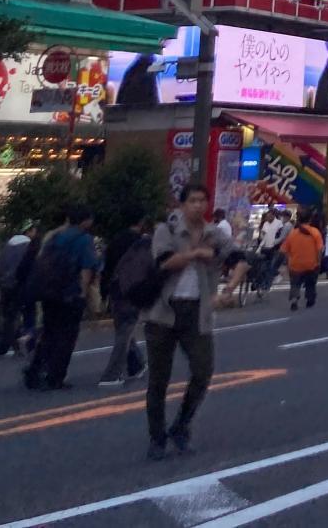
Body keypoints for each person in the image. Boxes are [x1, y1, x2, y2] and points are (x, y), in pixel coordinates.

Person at [144, 183, 234, 460]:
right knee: (159, 379)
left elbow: (238, 257)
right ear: (182, 204)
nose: (198, 205)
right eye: (192, 201)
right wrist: (196, 254)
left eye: (202, 201)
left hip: (197, 311)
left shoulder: (215, 233)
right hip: (163, 312)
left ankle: (181, 425)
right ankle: (157, 437)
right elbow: (164, 262)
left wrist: (229, 287)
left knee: (203, 370)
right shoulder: (166, 230)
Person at [24, 205, 99, 390]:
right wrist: (82, 293)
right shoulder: (84, 239)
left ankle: (35, 370)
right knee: (66, 336)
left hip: (49, 291)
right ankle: (55, 376)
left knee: (49, 332)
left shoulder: (55, 237)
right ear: (85, 220)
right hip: (69, 293)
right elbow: (86, 268)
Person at [97, 216, 155, 386]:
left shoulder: (115, 240)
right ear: (141, 222)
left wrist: (104, 290)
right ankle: (111, 375)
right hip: (131, 290)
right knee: (125, 331)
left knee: (124, 328)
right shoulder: (142, 243)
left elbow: (106, 266)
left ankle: (136, 364)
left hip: (115, 288)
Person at [0, 220, 36, 354]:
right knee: (29, 313)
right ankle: (27, 340)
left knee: (10, 316)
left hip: (7, 286)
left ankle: (4, 345)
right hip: (25, 285)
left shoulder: (8, 245)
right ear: (28, 231)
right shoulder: (30, 246)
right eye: (33, 230)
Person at [282, 210, 323, 310]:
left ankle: (294, 299)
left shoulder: (292, 234)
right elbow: (319, 250)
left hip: (295, 264)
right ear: (310, 219)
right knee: (310, 283)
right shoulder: (315, 232)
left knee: (295, 283)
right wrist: (318, 261)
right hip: (311, 263)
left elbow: (285, 250)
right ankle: (310, 299)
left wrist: (289, 262)